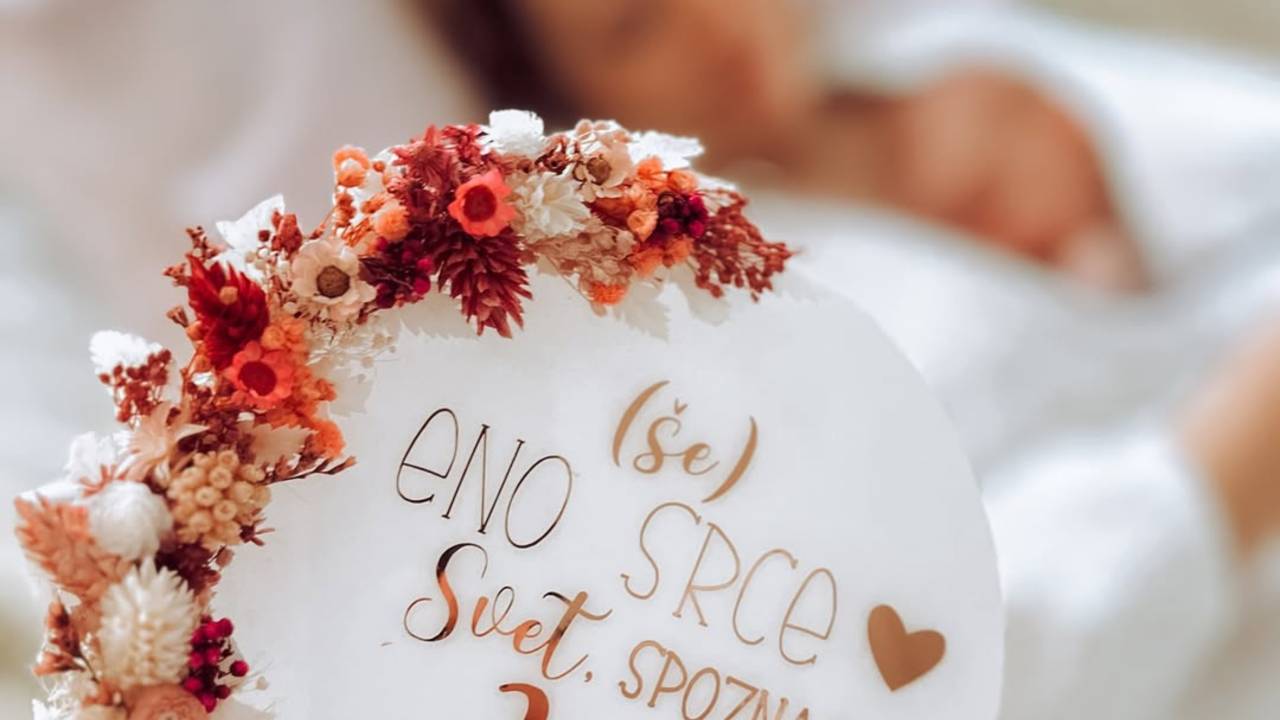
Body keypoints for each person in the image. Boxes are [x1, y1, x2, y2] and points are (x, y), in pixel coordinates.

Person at [419, 1, 1280, 718]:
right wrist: (1232, 457)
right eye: (636, 27)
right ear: (565, 93)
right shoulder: (684, 326)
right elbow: (926, 662)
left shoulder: (947, 50)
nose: (713, 26)